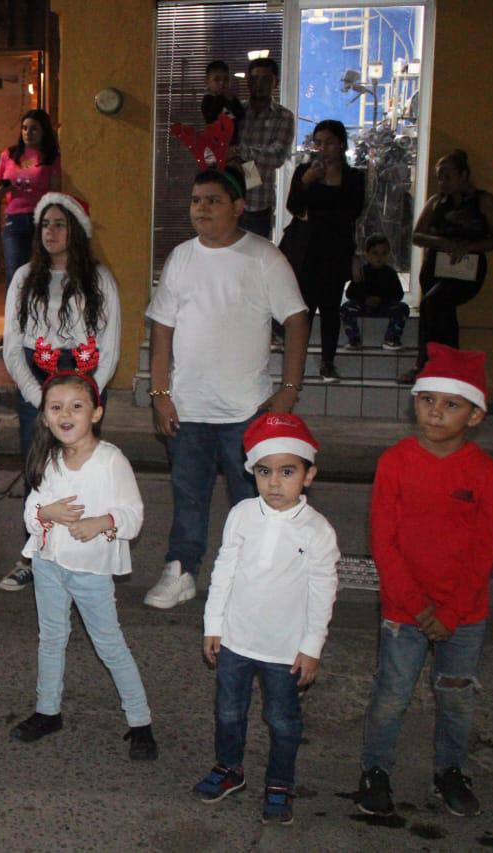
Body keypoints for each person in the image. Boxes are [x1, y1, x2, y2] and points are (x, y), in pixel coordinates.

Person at [143, 167, 309, 610]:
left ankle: (256, 580)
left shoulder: (263, 257)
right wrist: (160, 394)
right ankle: (181, 571)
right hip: (188, 409)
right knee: (188, 496)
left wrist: (290, 388)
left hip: (246, 411)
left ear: (238, 207)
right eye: (197, 200)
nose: (202, 209)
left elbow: (296, 319)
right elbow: (161, 328)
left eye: (213, 200)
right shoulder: (181, 257)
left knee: (254, 501)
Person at [356, 344, 493, 819]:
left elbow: (484, 550)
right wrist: (417, 606)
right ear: (414, 402)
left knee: (456, 698)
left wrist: (451, 612)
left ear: (475, 415)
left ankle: (450, 772)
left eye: (451, 404)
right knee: (391, 696)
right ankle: (375, 771)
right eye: (428, 400)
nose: (436, 412)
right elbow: (385, 541)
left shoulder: (485, 473)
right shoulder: (395, 462)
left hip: (464, 614)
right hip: (405, 610)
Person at [193, 412, 339, 825]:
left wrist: (311, 648)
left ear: (309, 476)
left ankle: (280, 782)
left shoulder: (317, 531)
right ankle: (229, 768)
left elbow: (322, 590)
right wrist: (213, 625)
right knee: (228, 712)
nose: (274, 483)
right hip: (237, 641)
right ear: (251, 472)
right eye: (264, 471)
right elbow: (223, 571)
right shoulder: (241, 514)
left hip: (284, 650)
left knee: (282, 720)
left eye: (287, 471)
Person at [10, 366, 156, 760]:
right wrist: (47, 512)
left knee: (109, 643)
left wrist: (101, 522)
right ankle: (47, 710)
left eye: (76, 406)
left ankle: (140, 721)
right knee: (51, 639)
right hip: (48, 564)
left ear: (96, 413)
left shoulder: (110, 461)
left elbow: (133, 515)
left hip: (91, 571)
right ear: (44, 416)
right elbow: (30, 513)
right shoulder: (48, 458)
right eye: (55, 407)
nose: (65, 415)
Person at [0, 192, 121, 592]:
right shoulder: (23, 278)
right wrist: (38, 397)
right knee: (39, 470)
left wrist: (86, 397)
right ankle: (32, 553)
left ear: (77, 231)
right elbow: (14, 345)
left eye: (59, 224)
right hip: (38, 377)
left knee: (82, 468)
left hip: (83, 377)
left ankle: (82, 554)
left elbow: (111, 345)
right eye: (45, 225)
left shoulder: (99, 279)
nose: (50, 232)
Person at [402, 150, 493, 383]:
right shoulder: (435, 202)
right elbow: (417, 235)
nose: (442, 182)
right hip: (435, 267)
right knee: (438, 312)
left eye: (447, 176)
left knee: (434, 303)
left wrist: (469, 246)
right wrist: (442, 242)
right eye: (439, 177)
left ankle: (436, 365)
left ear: (464, 175)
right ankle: (441, 367)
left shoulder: (484, 201)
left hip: (466, 270)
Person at [279, 120, 366, 383]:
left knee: (330, 308)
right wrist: (306, 182)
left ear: (341, 143)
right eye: (318, 143)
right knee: (303, 309)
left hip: (336, 250)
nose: (323, 149)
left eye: (328, 142)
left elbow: (353, 212)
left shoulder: (354, 177)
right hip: (306, 250)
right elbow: (293, 206)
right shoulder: (305, 171)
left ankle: (328, 362)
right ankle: (297, 363)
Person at [0, 108, 62, 287]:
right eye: (24, 128)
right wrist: (0, 191)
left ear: (43, 131)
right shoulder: (9, 155)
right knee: (15, 272)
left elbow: (55, 192)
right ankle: (15, 314)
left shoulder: (51, 158)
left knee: (40, 271)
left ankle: (39, 312)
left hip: (40, 219)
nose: (27, 133)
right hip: (14, 219)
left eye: (33, 129)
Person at [232, 58, 295, 240]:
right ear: (247, 81)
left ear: (276, 82)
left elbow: (276, 157)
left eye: (266, 79)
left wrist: (240, 151)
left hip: (257, 203)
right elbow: (222, 147)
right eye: (254, 79)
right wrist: (253, 156)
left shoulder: (283, 116)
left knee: (255, 260)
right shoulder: (236, 112)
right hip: (228, 197)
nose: (259, 84)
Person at [341, 233, 408, 351]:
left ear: (388, 254)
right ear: (367, 254)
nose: (379, 257)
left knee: (403, 308)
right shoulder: (362, 272)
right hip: (364, 306)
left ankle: (392, 338)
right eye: (375, 253)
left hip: (384, 306)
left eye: (384, 253)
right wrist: (365, 299)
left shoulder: (390, 273)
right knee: (346, 308)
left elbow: (399, 294)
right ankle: (354, 339)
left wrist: (382, 300)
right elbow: (350, 293)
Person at [201, 60, 244, 144]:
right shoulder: (207, 99)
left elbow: (241, 115)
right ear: (207, 82)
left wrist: (233, 101)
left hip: (233, 142)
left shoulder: (230, 98)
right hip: (215, 142)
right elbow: (210, 117)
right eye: (217, 80)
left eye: (226, 80)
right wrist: (220, 97)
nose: (222, 83)